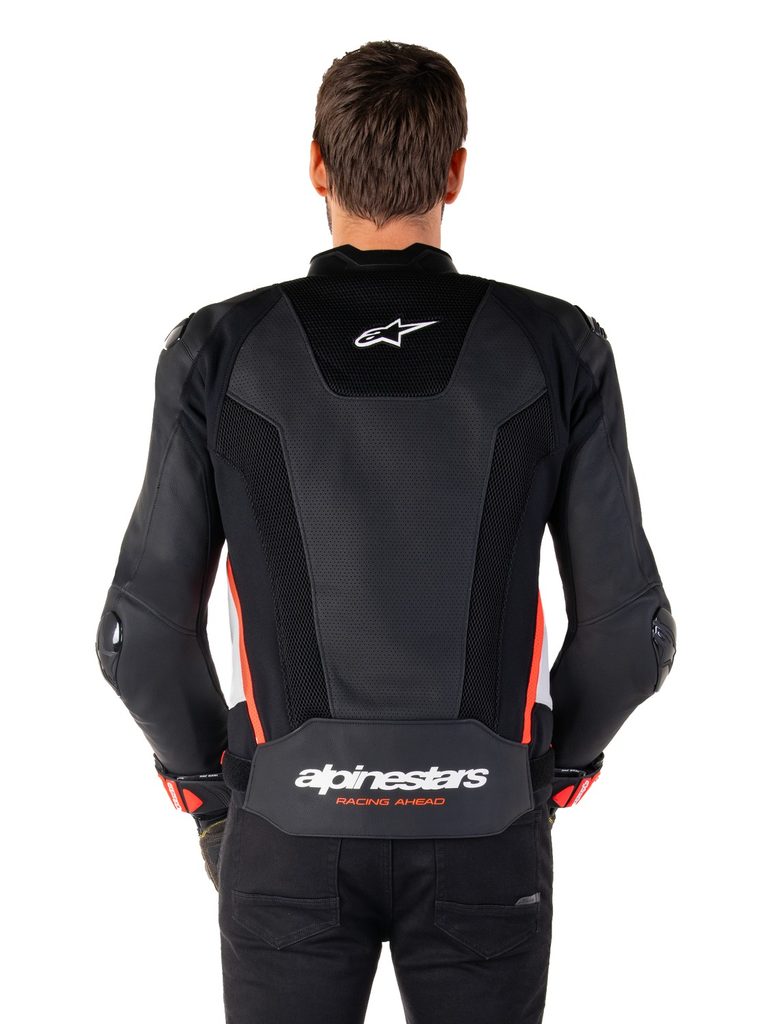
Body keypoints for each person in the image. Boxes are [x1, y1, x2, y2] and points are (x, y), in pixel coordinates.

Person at [95, 39, 677, 1024]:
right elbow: (631, 635)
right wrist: (538, 775)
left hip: (287, 827)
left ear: (316, 165)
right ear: (456, 172)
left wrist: (218, 796)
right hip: (486, 820)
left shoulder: (218, 350)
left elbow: (140, 635)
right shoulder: (557, 346)